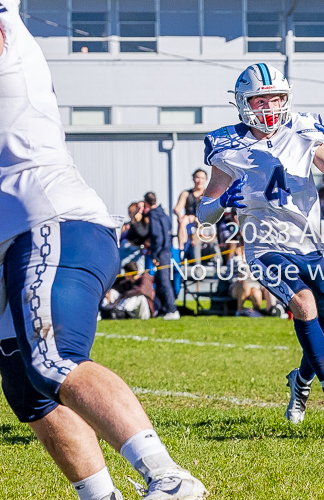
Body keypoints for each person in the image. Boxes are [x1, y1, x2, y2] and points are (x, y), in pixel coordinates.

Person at [0, 3, 207, 499]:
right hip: (18, 235)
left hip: (49, 219)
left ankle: (171, 479)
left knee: (53, 359)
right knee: (26, 384)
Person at [197, 63, 324, 425]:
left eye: (276, 98)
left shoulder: (302, 129)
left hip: (310, 244)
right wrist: (222, 203)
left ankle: (299, 382)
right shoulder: (227, 145)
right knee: (302, 305)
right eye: (260, 100)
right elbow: (203, 213)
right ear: (243, 103)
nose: (269, 107)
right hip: (264, 245)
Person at [145, 192, 180, 320]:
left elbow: (156, 236)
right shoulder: (164, 214)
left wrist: (156, 255)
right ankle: (162, 309)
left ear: (146, 203)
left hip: (161, 252)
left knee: (164, 281)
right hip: (167, 250)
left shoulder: (153, 216)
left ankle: (172, 309)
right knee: (160, 281)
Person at [174, 169, 208, 253]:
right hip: (189, 219)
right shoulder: (186, 193)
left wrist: (197, 218)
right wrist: (180, 215)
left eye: (202, 178)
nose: (199, 180)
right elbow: (177, 208)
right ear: (193, 179)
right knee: (183, 221)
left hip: (203, 220)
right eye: (197, 177)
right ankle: (182, 249)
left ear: (206, 180)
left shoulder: (209, 194)